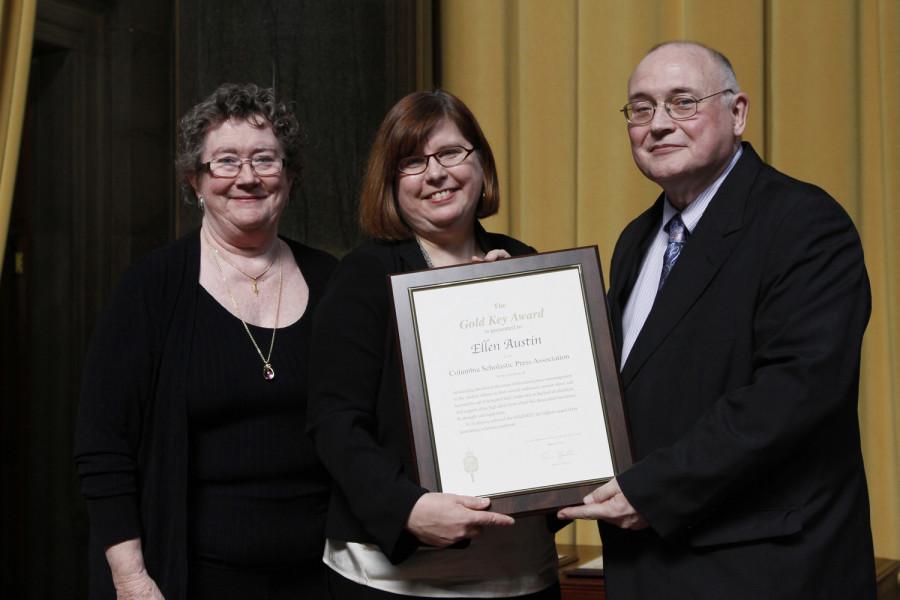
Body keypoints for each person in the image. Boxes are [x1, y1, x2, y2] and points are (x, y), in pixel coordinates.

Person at [558, 41, 876, 598]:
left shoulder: (804, 223)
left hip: (764, 570)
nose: (657, 124)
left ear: (738, 112)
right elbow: (624, 384)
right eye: (640, 107)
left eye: (682, 102)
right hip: (648, 566)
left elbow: (793, 393)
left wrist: (652, 490)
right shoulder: (637, 239)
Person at [74, 83, 337, 600]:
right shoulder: (152, 287)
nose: (247, 177)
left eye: (265, 159)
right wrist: (130, 578)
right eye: (225, 162)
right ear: (195, 180)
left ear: (289, 177)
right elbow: (102, 445)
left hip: (323, 576)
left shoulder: (332, 280)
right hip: (189, 577)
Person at [307, 90, 561, 599]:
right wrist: (406, 508)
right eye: (412, 162)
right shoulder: (364, 275)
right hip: (394, 580)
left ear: (480, 163)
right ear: (391, 183)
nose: (436, 173)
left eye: (451, 153)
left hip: (519, 573)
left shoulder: (524, 263)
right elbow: (334, 422)